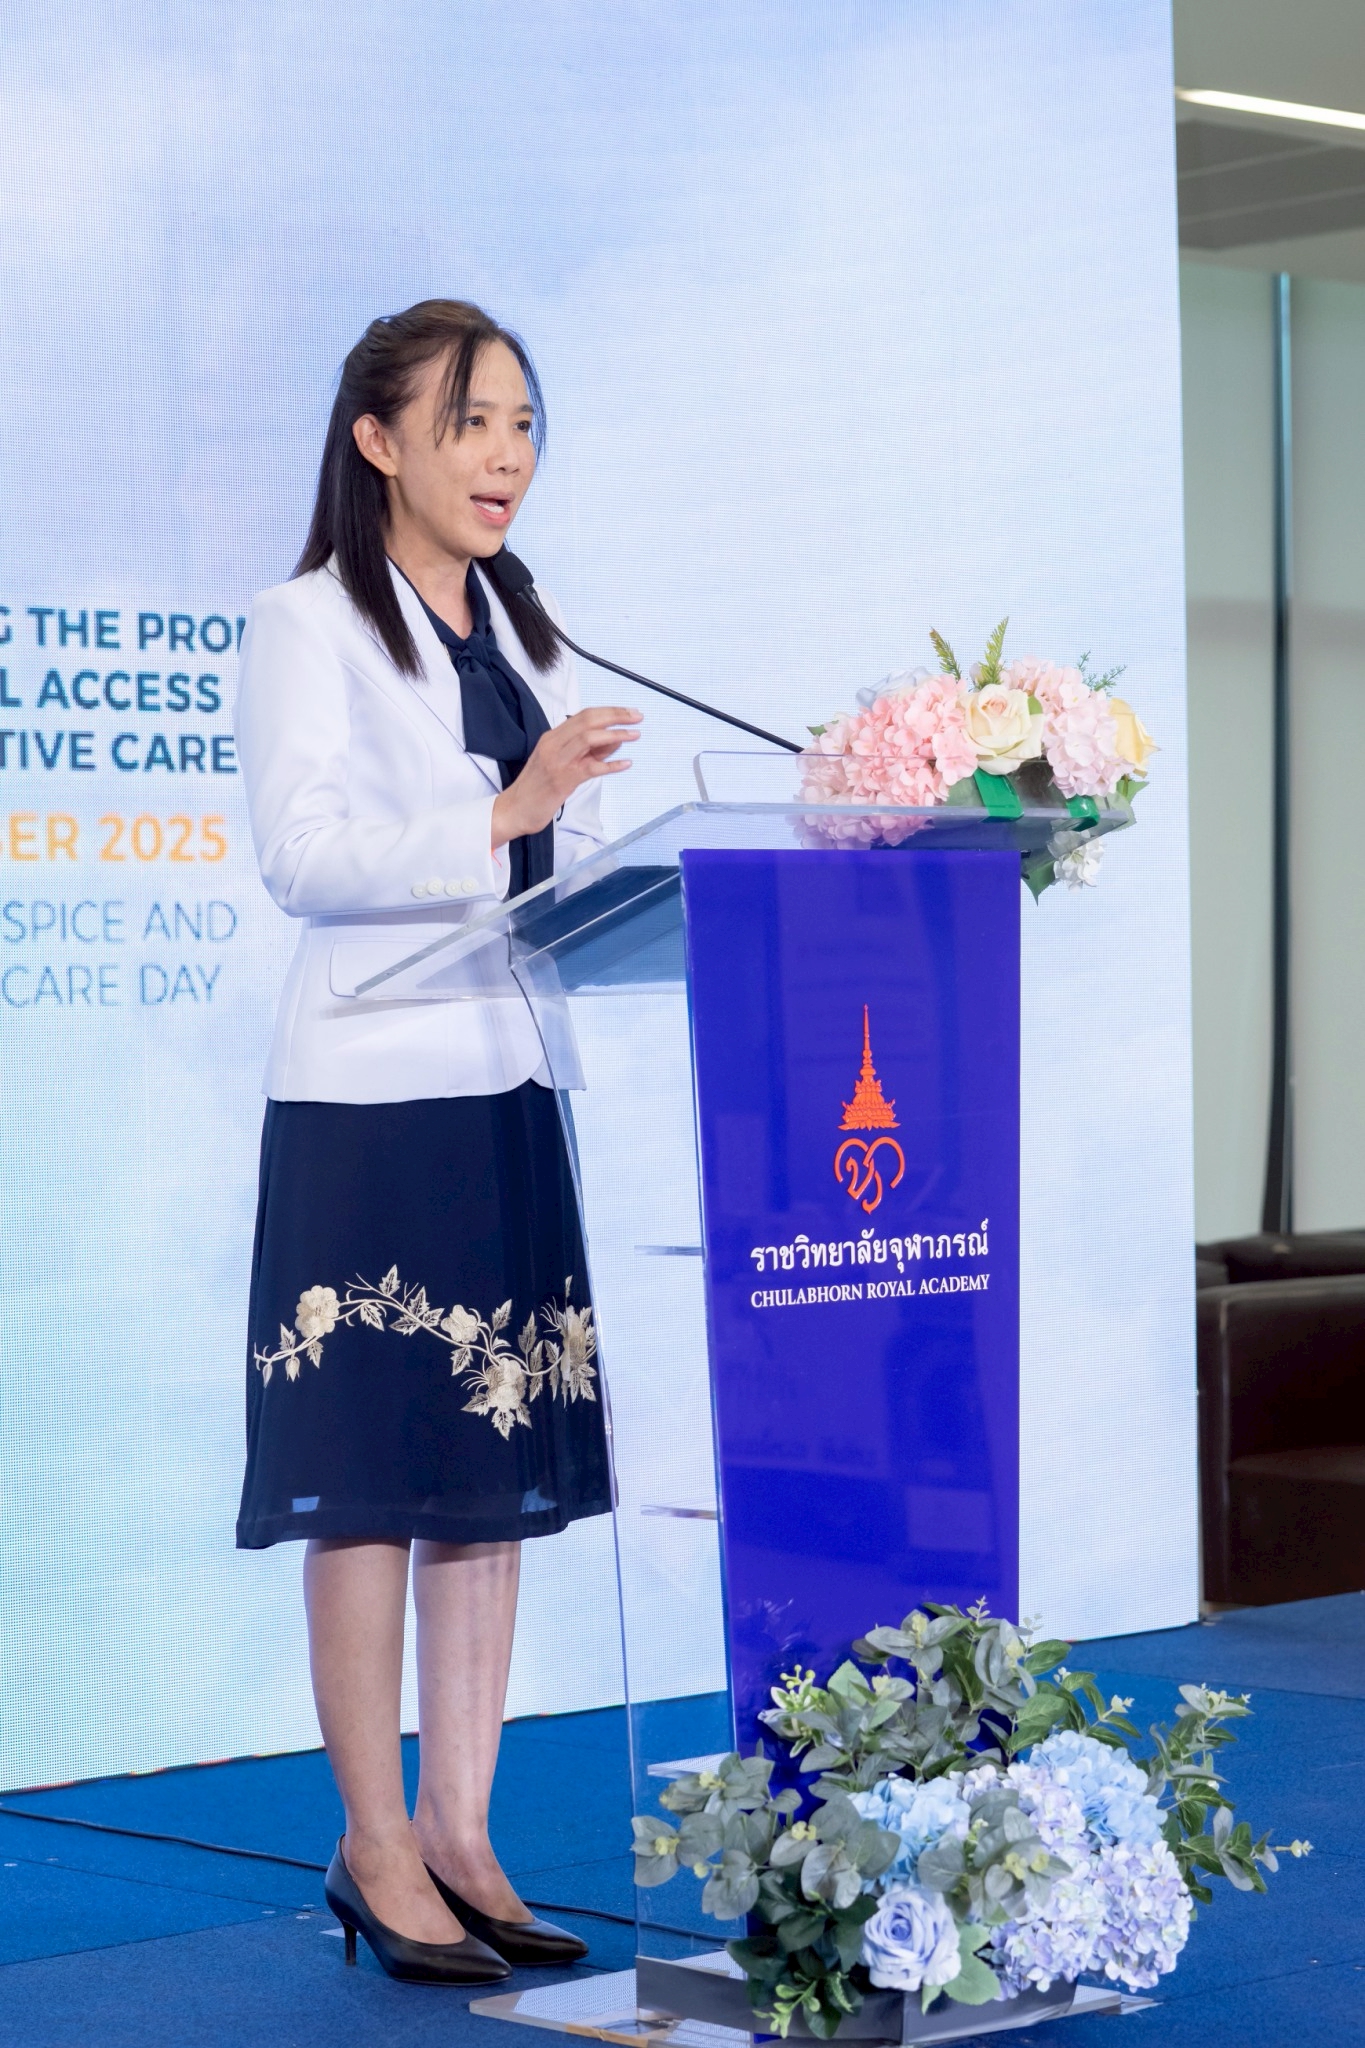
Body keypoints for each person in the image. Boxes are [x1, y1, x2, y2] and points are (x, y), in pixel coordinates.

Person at [233, 299, 641, 1984]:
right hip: (369, 1107)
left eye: (524, 424)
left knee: (486, 1480)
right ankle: (373, 1843)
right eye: (471, 422)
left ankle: (463, 1834)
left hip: (505, 1083)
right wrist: (505, 811)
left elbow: (552, 856)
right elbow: (303, 855)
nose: (505, 456)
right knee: (373, 1483)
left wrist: (572, 843)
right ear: (378, 441)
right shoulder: (306, 621)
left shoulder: (521, 630)